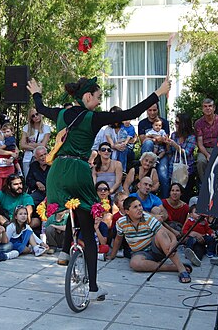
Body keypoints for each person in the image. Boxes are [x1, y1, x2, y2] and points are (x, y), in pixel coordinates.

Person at [27, 75, 172, 300]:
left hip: (56, 173)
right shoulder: (92, 118)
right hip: (77, 170)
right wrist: (158, 93)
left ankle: (65, 251)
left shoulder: (61, 113)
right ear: (86, 97)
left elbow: (40, 107)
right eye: (97, 97)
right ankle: (93, 288)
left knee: (72, 205)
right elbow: (130, 114)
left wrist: (36, 91)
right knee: (86, 225)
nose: (99, 102)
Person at [108, 197, 191, 283]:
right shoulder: (121, 222)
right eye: (135, 207)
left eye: (140, 205)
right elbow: (118, 239)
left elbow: (167, 233)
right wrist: (112, 255)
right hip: (140, 253)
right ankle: (171, 267)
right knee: (134, 264)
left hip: (156, 249)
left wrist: (174, 241)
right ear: (127, 211)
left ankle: (181, 269)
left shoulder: (147, 218)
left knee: (160, 233)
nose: (139, 208)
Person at [138, 103, 170, 197]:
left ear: (158, 110)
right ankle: (146, 167)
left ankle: (164, 201)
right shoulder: (142, 123)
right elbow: (143, 140)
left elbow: (166, 139)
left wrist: (153, 138)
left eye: (154, 110)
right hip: (148, 152)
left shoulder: (164, 122)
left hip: (161, 153)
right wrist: (156, 139)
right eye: (150, 110)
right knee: (148, 143)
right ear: (146, 111)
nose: (152, 112)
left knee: (163, 176)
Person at [166, 113, 197, 202]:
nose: (175, 124)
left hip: (186, 170)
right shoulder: (174, 135)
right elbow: (170, 152)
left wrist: (175, 145)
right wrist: (168, 143)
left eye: (177, 122)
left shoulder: (191, 137)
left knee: (185, 195)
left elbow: (187, 153)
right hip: (174, 168)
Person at [195, 98, 218, 185]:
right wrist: (207, 155)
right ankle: (205, 185)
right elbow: (200, 143)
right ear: (202, 109)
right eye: (205, 106)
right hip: (205, 149)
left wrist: (217, 152)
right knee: (200, 162)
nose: (208, 108)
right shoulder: (198, 123)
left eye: (210, 106)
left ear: (214, 108)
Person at [20, 108, 51, 179]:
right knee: (29, 180)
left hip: (40, 159)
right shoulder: (26, 128)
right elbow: (22, 145)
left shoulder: (46, 128)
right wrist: (38, 145)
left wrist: (29, 145)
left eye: (37, 114)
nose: (36, 117)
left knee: (41, 179)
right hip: (28, 158)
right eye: (33, 116)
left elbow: (43, 145)